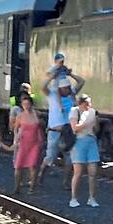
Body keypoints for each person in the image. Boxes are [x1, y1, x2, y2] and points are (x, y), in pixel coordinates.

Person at [39, 54, 85, 187]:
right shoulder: (52, 95)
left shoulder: (71, 95)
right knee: (50, 157)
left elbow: (82, 81)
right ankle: (41, 174)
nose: (67, 90)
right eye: (64, 88)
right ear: (59, 88)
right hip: (54, 130)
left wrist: (71, 75)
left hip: (68, 131)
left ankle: (66, 182)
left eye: (67, 88)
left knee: (69, 158)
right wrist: (52, 77)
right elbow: (43, 87)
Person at [68, 94, 100, 208]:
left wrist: (95, 122)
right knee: (78, 173)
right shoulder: (74, 111)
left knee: (93, 173)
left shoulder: (92, 112)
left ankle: (92, 198)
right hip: (79, 142)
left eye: (90, 103)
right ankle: (73, 198)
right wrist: (88, 122)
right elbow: (74, 128)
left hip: (91, 141)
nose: (89, 106)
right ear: (80, 104)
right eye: (87, 104)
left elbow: (96, 129)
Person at [12, 95, 43, 194]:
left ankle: (32, 187)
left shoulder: (36, 114)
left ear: (31, 104)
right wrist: (16, 138)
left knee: (33, 165)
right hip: (23, 142)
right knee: (18, 166)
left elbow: (41, 125)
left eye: (28, 104)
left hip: (35, 142)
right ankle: (17, 187)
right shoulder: (20, 116)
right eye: (24, 104)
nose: (26, 106)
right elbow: (16, 128)